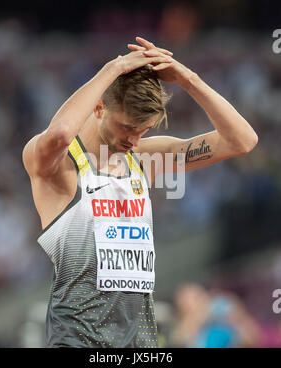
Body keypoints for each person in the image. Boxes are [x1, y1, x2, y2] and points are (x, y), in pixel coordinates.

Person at [22, 36, 258, 348]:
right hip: (78, 340)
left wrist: (188, 78)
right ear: (98, 107)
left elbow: (242, 141)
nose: (134, 140)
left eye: (143, 130)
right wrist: (114, 68)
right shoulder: (61, 166)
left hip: (140, 342)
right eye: (127, 128)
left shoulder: (145, 161)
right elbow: (62, 132)